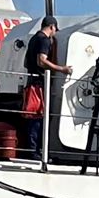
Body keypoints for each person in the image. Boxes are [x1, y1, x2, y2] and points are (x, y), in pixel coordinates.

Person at [20, 16, 70, 157]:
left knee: (34, 116)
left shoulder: (34, 39)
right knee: (38, 116)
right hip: (39, 84)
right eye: (55, 29)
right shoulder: (44, 40)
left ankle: (32, 148)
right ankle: (34, 150)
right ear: (52, 27)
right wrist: (61, 69)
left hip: (31, 81)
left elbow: (26, 62)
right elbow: (42, 61)